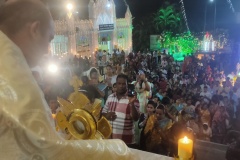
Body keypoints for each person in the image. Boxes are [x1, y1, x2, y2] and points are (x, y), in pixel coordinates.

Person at [0, 1, 140, 159]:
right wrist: (118, 150)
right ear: (35, 30)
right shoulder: (15, 81)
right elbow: (47, 149)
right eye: (49, 39)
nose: (48, 50)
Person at [102, 74, 140, 145]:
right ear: (116, 84)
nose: (121, 86)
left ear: (127, 85)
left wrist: (131, 103)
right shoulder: (110, 97)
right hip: (111, 139)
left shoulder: (134, 99)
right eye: (119, 83)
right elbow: (103, 113)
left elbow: (136, 118)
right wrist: (106, 115)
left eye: (123, 84)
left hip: (126, 141)